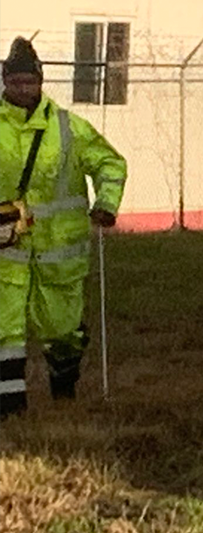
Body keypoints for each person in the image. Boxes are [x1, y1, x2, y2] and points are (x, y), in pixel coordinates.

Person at [1, 36, 127, 418]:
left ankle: (64, 395)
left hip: (60, 256)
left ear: (40, 81)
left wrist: (106, 203)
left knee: (63, 332)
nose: (23, 89)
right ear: (5, 81)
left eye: (29, 81)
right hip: (7, 252)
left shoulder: (67, 127)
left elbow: (110, 164)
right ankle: (10, 412)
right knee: (5, 335)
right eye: (15, 81)